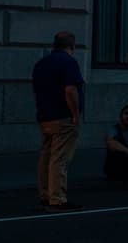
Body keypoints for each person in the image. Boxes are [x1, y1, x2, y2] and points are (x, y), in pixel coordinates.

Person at [32, 31, 85, 211]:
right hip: (63, 116)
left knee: (46, 157)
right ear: (72, 46)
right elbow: (70, 89)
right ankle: (58, 198)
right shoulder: (69, 62)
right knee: (60, 159)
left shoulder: (41, 63)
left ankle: (45, 195)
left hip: (45, 116)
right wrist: (75, 115)